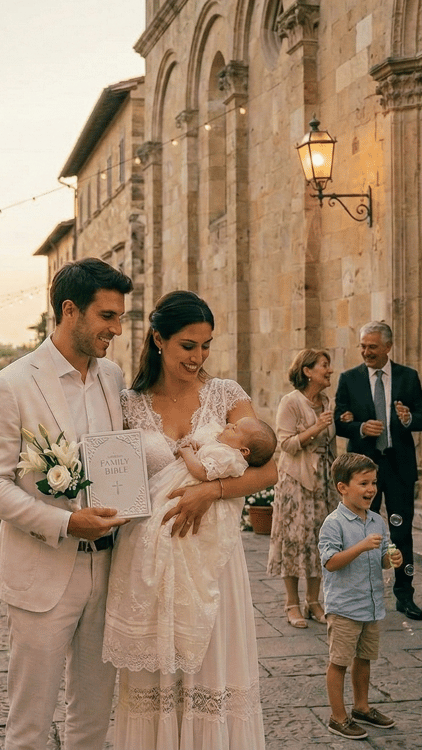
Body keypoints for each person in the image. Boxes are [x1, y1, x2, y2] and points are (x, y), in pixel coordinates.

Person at [0, 257, 133, 750]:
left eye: (120, 318)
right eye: (107, 316)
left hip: (110, 572)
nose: (117, 330)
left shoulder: (113, 377)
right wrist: (65, 523)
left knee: (92, 723)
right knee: (29, 727)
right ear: (70, 310)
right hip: (43, 576)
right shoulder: (11, 385)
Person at [106, 290, 277, 750]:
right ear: (158, 339)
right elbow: (112, 474)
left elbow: (269, 466)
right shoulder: (127, 402)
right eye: (188, 345)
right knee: (157, 683)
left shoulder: (225, 394)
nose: (199, 357)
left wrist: (210, 491)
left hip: (213, 563)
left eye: (206, 346)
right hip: (147, 564)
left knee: (209, 672)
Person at [103, 416, 276, 676]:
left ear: (244, 450)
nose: (229, 426)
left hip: (197, 527)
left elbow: (205, 472)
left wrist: (189, 457)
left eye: (235, 428)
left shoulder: (228, 454)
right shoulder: (129, 401)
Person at [334, 321, 422, 620]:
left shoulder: (408, 377)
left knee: (402, 533)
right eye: (362, 346)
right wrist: (360, 427)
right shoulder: (349, 378)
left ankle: (405, 595)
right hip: (362, 470)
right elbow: (338, 421)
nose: (366, 352)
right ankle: (359, 594)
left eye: (372, 347)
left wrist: (407, 418)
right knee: (357, 532)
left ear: (388, 347)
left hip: (398, 466)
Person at [319, 453, 403, 740]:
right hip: (344, 605)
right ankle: (337, 717)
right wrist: (362, 547)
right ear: (343, 487)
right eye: (363, 483)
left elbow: (380, 558)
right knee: (339, 661)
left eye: (374, 483)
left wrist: (391, 559)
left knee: (364, 658)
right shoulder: (334, 523)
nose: (371, 489)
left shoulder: (378, 521)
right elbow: (330, 562)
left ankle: (362, 707)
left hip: (371, 604)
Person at [268, 348, 338, 628]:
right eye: (324, 365)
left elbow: (330, 444)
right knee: (294, 540)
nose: (329, 370)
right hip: (295, 481)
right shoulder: (291, 402)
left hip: (323, 480)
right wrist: (317, 427)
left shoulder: (326, 401)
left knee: (320, 540)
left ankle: (314, 601)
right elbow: (285, 443)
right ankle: (292, 604)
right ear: (307, 371)